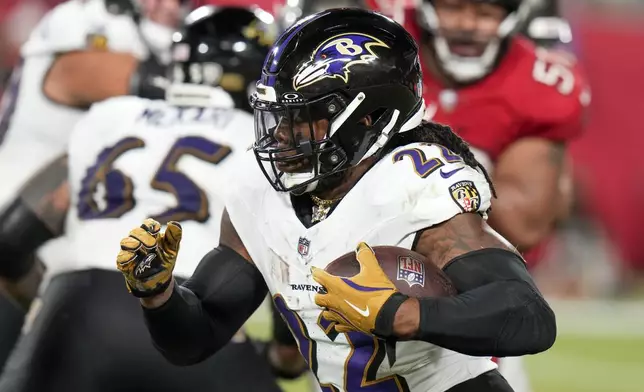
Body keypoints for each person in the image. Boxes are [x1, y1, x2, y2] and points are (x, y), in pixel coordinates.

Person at [116, 8, 556, 392]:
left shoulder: (411, 184)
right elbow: (195, 339)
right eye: (277, 117)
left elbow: (530, 316)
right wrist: (159, 294)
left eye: (302, 119)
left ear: (369, 118)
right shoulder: (261, 188)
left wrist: (401, 315)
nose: (281, 137)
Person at [0, 6, 291, 392]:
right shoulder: (262, 144)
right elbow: (287, 263)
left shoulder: (109, 117)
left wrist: (51, 300)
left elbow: (10, 241)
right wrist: (281, 358)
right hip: (191, 310)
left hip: (77, 310)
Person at [391, 1, 589, 390]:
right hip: (359, 284)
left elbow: (525, 224)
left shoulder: (542, 83)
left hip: (467, 304)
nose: (467, 24)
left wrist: (442, 167)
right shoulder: (383, 37)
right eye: (453, 7)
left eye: (485, 12)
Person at [0, 0, 181, 369]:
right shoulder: (83, 18)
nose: (170, 7)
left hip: (50, 267)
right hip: (13, 247)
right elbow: (111, 79)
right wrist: (220, 75)